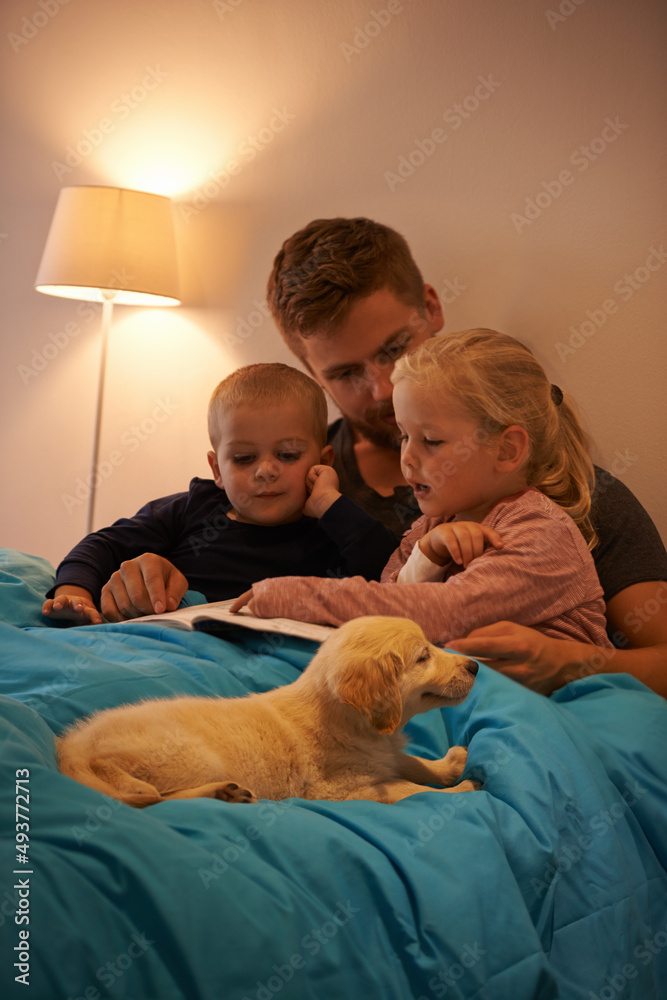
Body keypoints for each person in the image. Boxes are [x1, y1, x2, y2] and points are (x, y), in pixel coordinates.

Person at [264, 217, 667, 696]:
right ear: (310, 371)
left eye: (394, 348)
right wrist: (156, 559)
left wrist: (572, 663)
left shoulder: (568, 492)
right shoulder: (292, 483)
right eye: (346, 373)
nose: (381, 387)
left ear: (431, 308)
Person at [231, 330, 614, 652]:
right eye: (404, 436)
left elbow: (447, 613)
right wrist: (426, 558)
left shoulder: (543, 532)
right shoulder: (433, 523)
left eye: (431, 440)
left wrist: (298, 598)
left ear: (507, 449)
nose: (408, 459)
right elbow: (392, 599)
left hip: (562, 709)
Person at [42, 363, 398, 625]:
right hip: (167, 640)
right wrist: (73, 592)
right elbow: (102, 545)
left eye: (288, 455)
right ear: (217, 470)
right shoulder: (192, 508)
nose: (266, 470)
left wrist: (330, 506)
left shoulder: (334, 528)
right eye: (244, 458)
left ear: (323, 461)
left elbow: (391, 575)